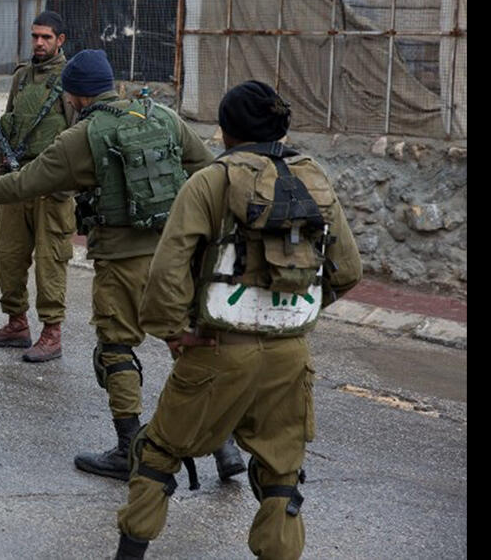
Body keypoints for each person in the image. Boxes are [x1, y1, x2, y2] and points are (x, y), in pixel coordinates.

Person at [0, 50, 243, 482]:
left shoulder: (85, 136)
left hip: (120, 260)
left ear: (74, 95)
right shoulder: (164, 115)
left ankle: (128, 448)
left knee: (115, 348)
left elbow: (24, 182)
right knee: (185, 342)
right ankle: (223, 444)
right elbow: (207, 170)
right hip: (177, 256)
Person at [112, 80, 363, 560]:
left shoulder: (211, 180)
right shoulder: (314, 178)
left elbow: (166, 273)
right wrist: (294, 313)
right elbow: (347, 271)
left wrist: (173, 331)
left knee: (159, 452)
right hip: (291, 354)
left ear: (226, 132)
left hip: (215, 348)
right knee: (282, 472)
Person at [0, 10, 77, 363]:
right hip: (17, 183)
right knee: (8, 256)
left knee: (50, 261)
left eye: (46, 37)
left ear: (60, 40)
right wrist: (1, 174)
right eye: (35, 36)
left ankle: (52, 333)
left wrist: (68, 185)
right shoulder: (21, 78)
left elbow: (79, 134)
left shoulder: (72, 80)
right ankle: (17, 324)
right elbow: (7, 127)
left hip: (52, 188)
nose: (38, 42)